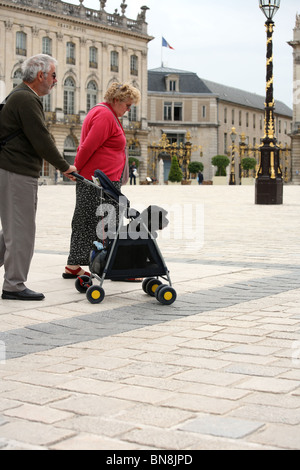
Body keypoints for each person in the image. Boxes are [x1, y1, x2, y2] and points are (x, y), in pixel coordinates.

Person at [0, 54, 77, 301]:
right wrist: (65, 167)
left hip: (15, 171)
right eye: (54, 75)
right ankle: (14, 285)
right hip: (16, 171)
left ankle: (13, 281)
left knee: (12, 231)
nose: (56, 81)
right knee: (21, 231)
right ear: (41, 75)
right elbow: (41, 139)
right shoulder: (25, 98)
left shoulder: (21, 95)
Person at [63, 82, 141, 280]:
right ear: (116, 100)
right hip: (99, 181)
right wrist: (75, 168)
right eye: (127, 105)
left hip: (98, 179)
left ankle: (74, 265)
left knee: (87, 221)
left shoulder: (107, 113)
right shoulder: (105, 115)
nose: (129, 109)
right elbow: (88, 146)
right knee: (110, 222)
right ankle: (117, 267)